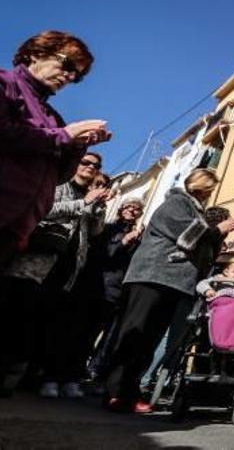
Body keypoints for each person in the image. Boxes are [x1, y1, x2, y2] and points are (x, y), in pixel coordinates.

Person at [103, 169, 234, 413]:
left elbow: (205, 249)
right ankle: (114, 390)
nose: (211, 192)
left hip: (175, 283)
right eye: (209, 187)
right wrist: (218, 230)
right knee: (134, 333)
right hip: (151, 277)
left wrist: (216, 237)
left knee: (149, 339)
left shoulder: (195, 210)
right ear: (200, 186)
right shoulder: (176, 202)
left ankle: (129, 392)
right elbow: (187, 237)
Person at [0, 152, 110, 398]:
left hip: (67, 269)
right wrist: (83, 203)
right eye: (86, 162)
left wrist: (98, 207)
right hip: (37, 263)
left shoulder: (88, 196)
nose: (91, 167)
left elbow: (95, 232)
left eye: (96, 165)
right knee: (17, 319)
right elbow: (44, 209)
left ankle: (25, 378)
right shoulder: (59, 184)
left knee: (44, 323)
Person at [0, 31, 110, 264]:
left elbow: (58, 177)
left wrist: (77, 146)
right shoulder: (5, 83)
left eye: (76, 76)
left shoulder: (54, 118)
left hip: (16, 230)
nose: (69, 76)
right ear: (36, 54)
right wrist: (65, 135)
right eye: (67, 64)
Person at [85, 198, 145, 382]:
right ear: (121, 209)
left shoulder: (139, 236)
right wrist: (124, 242)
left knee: (111, 337)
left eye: (137, 209)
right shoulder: (109, 228)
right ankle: (75, 370)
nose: (132, 211)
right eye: (129, 207)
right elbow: (105, 254)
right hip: (103, 287)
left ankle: (95, 371)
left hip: (123, 291)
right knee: (90, 331)